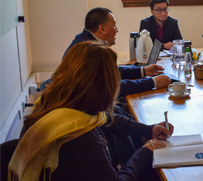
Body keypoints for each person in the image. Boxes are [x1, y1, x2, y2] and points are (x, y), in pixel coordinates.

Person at [9, 41, 174, 181]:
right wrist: (144, 152)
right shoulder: (80, 139)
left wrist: (149, 129)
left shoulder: (58, 106)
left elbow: (107, 119)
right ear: (104, 86)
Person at [64, 7, 171, 101]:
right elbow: (112, 88)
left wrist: (142, 71)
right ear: (102, 29)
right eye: (114, 25)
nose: (117, 30)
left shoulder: (85, 40)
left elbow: (111, 71)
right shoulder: (90, 50)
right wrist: (153, 83)